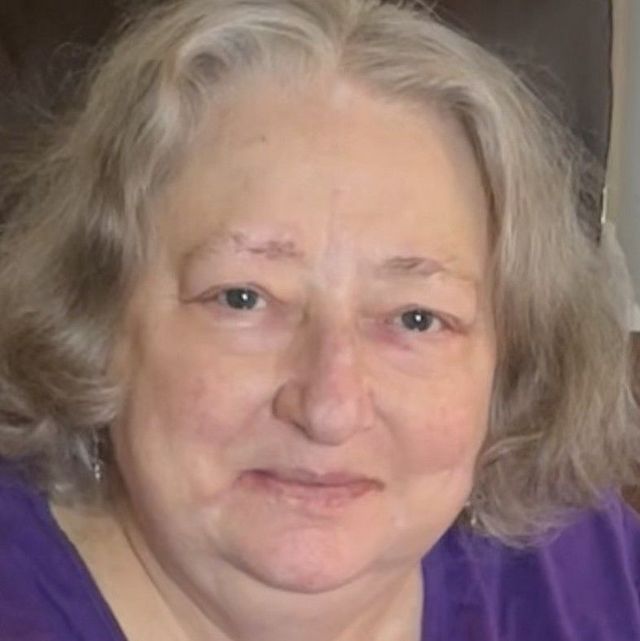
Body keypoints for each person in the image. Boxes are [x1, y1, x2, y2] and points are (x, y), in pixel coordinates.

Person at [0, 0, 638, 639]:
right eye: (242, 299)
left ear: (508, 363)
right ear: (94, 318)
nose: (330, 408)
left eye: (417, 318)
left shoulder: (582, 564)